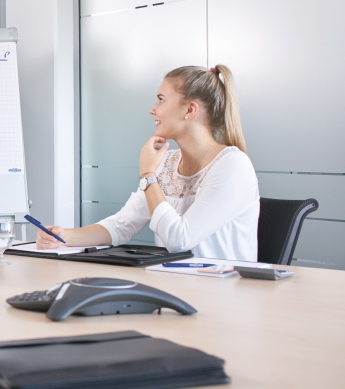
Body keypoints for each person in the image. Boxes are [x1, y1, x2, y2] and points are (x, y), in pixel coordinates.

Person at [36, 65, 259, 261]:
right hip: (176, 284)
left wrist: (148, 175)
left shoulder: (232, 165)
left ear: (190, 110)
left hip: (222, 290)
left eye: (161, 100)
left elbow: (179, 240)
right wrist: (63, 236)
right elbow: (122, 225)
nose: (153, 109)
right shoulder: (167, 162)